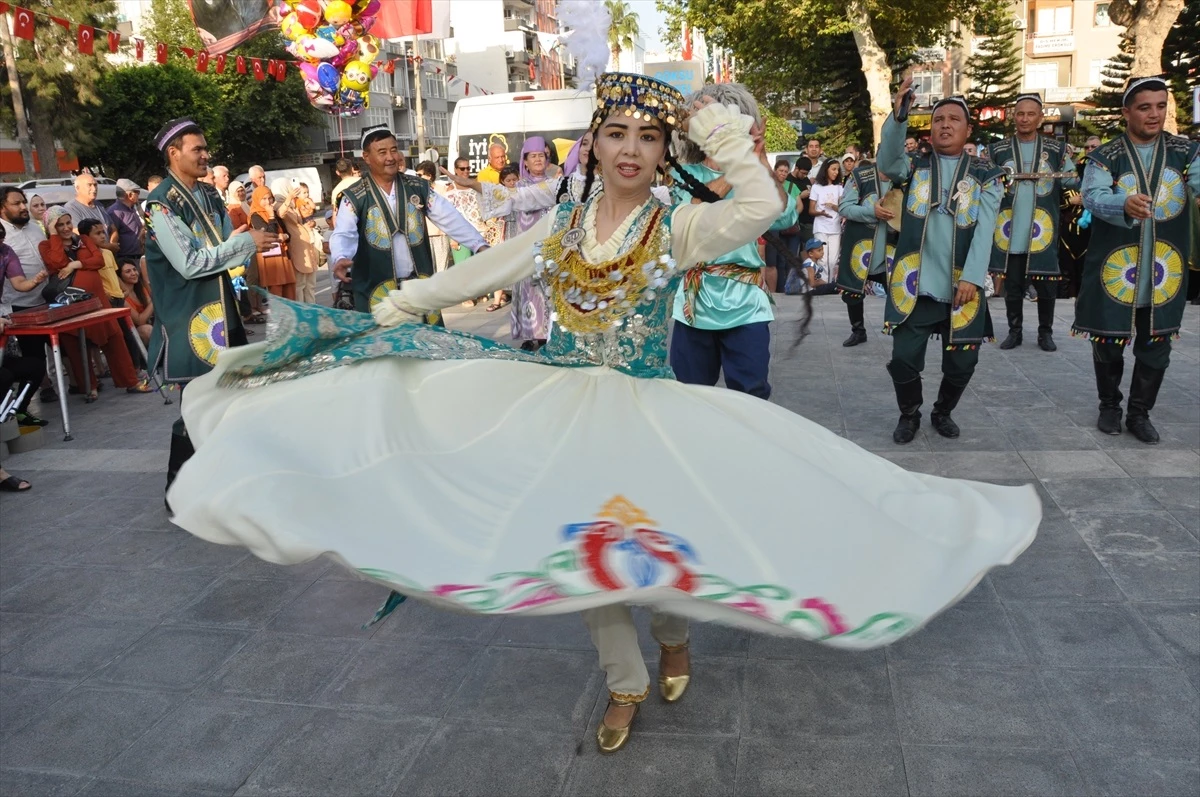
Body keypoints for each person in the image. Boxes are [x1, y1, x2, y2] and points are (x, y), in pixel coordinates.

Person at [165, 69, 1041, 759]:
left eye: (650, 137)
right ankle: (623, 680)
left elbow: (765, 207)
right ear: (594, 141)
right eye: (617, 133)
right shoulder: (560, 227)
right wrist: (393, 311)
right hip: (558, 403)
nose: (631, 148)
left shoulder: (679, 228)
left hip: (649, 410)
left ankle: (673, 638)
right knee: (579, 548)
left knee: (655, 549)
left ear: (666, 151)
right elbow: (483, 272)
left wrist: (720, 129)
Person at [143, 117, 277, 503]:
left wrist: (244, 241)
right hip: (190, 321)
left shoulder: (208, 195)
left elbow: (219, 247)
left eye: (205, 148)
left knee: (231, 398)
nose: (205, 155)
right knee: (197, 405)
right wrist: (242, 244)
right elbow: (190, 263)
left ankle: (222, 481)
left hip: (221, 313)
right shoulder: (160, 205)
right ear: (174, 154)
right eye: (196, 149)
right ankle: (178, 492)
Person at [878, 82, 1005, 444]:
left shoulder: (987, 175)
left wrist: (973, 278)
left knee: (964, 362)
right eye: (937, 120)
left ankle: (943, 411)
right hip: (916, 284)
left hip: (963, 287)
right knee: (903, 358)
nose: (944, 125)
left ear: (967, 130)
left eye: (953, 119)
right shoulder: (914, 165)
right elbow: (887, 161)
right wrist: (899, 115)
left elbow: (986, 230)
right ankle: (910, 413)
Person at [1077, 76, 1200, 444]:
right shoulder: (1105, 156)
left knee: (1157, 342)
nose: (1154, 114)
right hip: (1115, 268)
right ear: (1126, 111)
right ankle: (1109, 406)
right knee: (1108, 340)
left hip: (1166, 270)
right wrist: (1122, 203)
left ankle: (1139, 413)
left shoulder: (1185, 151)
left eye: (1161, 106)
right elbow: (1092, 196)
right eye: (1145, 107)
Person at [668, 82, 797, 400]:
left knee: (751, 394)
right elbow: (690, 220)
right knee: (691, 397)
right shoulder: (683, 175)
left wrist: (761, 160)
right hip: (694, 305)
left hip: (746, 304)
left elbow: (785, 217)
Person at [330, 125, 489, 314]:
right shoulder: (355, 196)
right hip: (377, 293)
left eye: (394, 150)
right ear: (366, 157)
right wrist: (340, 257)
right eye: (382, 152)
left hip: (417, 288)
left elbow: (449, 217)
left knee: (422, 341)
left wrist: (479, 245)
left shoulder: (417, 187)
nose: (390, 157)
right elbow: (344, 232)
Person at [989, 94, 1079, 352]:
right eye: (1020, 113)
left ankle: (1045, 334)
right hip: (1010, 231)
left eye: (1031, 114)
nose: (1025, 118)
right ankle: (1014, 332)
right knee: (1013, 286)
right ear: (1013, 117)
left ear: (1040, 118)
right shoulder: (997, 150)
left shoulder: (1057, 150)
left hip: (1044, 231)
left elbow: (1072, 180)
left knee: (1047, 286)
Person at [38, 208, 152, 399]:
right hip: (69, 303)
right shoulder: (46, 245)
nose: (66, 228)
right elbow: (57, 262)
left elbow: (97, 260)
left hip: (98, 301)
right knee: (75, 344)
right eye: (60, 224)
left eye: (68, 223)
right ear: (51, 227)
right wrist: (54, 235)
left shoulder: (82, 240)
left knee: (115, 337)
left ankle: (130, 381)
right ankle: (89, 387)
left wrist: (75, 264)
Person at [478, 137, 557, 348]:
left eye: (542, 155)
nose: (538, 159)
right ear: (525, 161)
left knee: (549, 293)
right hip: (526, 249)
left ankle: (550, 336)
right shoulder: (518, 186)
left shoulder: (556, 183)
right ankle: (532, 337)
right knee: (529, 292)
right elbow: (497, 202)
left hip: (551, 250)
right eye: (534, 156)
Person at [836, 158, 895, 346]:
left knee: (897, 293)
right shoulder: (860, 176)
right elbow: (845, 207)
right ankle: (858, 330)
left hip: (892, 250)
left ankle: (899, 331)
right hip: (860, 248)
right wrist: (872, 212)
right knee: (852, 292)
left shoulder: (906, 178)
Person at [0, 232, 49, 427]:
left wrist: (35, 281)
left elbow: (19, 282)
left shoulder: (5, 251)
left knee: (35, 366)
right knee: (4, 376)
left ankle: (17, 412)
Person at [275, 181, 321, 303]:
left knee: (310, 284)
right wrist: (288, 199)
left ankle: (312, 310)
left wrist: (311, 223)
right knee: (300, 284)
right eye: (289, 187)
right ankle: (302, 313)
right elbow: (281, 213)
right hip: (297, 246)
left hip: (306, 245)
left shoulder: (293, 203)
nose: (292, 189)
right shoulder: (279, 204)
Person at [765, 158, 805, 293]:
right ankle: (780, 289)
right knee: (778, 261)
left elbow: (800, 206)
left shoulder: (792, 186)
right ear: (775, 171)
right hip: (775, 229)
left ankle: (791, 287)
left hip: (791, 230)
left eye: (785, 172)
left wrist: (790, 217)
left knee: (791, 259)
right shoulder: (769, 185)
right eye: (780, 171)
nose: (783, 174)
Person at [249, 185, 294, 301]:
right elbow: (269, 234)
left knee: (289, 287)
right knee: (276, 287)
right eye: (263, 199)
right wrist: (271, 216)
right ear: (257, 200)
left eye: (269, 198)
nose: (267, 202)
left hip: (283, 254)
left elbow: (287, 233)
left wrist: (285, 236)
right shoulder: (255, 216)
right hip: (271, 257)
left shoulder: (273, 211)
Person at [808, 158, 844, 282]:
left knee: (833, 260)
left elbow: (843, 209)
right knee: (822, 259)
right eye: (833, 169)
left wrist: (833, 206)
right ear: (826, 170)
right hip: (820, 227)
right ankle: (823, 284)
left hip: (835, 228)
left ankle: (831, 284)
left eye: (838, 170)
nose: (836, 172)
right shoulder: (816, 187)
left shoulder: (839, 188)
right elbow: (811, 210)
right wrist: (821, 213)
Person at [63, 174, 119, 254]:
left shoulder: (99, 205)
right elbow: (79, 235)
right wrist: (107, 247)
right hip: (91, 257)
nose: (94, 188)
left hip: (108, 256)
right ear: (77, 188)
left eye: (95, 185)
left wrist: (112, 244)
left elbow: (113, 228)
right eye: (89, 185)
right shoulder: (71, 208)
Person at [415, 161, 451, 273]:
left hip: (440, 235)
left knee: (441, 271)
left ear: (429, 176)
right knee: (427, 271)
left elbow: (447, 213)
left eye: (420, 175)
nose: (417, 178)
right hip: (423, 236)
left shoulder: (442, 190)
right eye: (416, 175)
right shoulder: (415, 191)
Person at [109, 179, 146, 265]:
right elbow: (113, 238)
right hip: (126, 260)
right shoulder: (115, 212)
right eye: (137, 192)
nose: (138, 195)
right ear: (130, 195)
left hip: (139, 257)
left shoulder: (133, 209)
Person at [120, 260, 154, 347]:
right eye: (128, 271)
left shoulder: (140, 289)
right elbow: (140, 320)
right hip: (132, 332)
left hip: (149, 324)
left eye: (134, 270)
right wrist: (156, 299)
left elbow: (152, 309)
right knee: (147, 330)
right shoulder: (122, 296)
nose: (133, 273)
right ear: (120, 276)